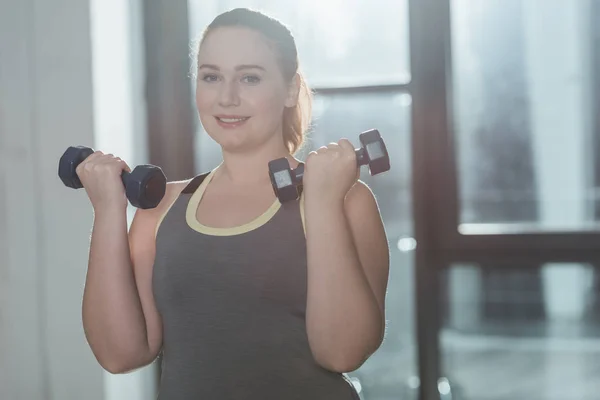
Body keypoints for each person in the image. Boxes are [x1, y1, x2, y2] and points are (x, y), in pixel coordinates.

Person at [78, 7, 390, 399]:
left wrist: (324, 202)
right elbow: (119, 354)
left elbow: (342, 352)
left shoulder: (346, 200)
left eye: (249, 78)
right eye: (211, 77)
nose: (227, 97)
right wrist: (107, 211)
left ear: (291, 88)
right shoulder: (161, 209)